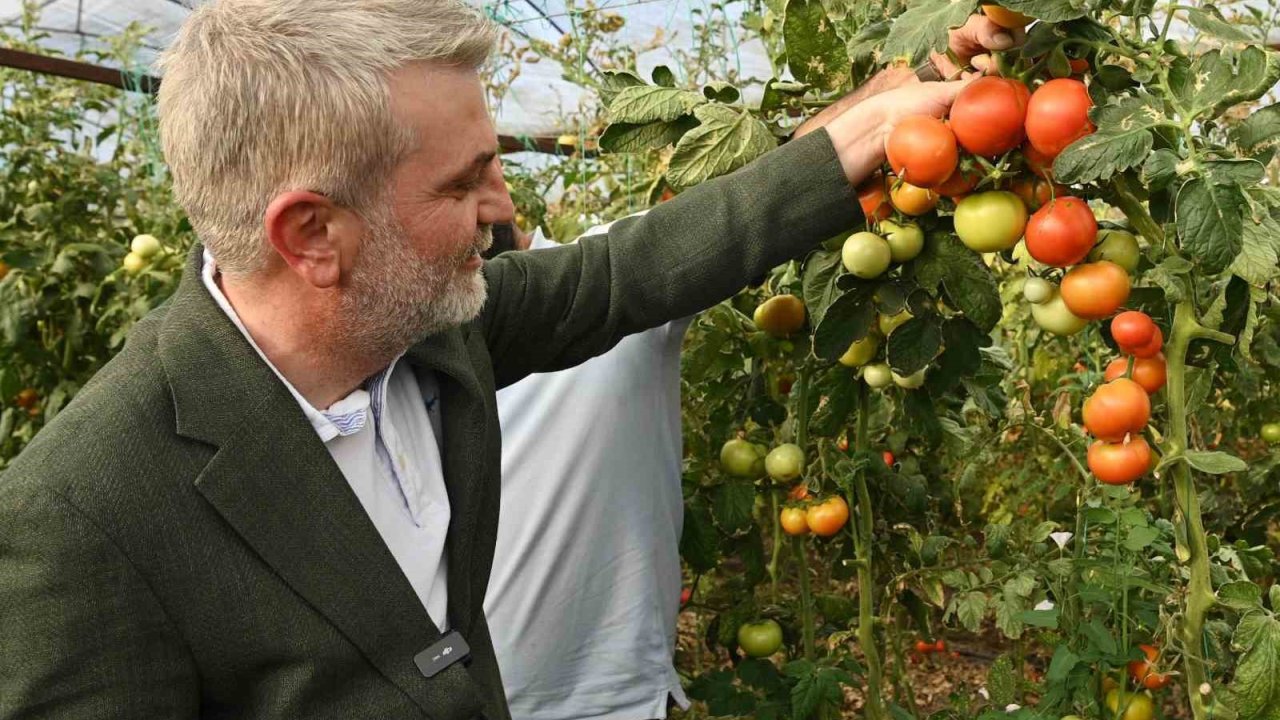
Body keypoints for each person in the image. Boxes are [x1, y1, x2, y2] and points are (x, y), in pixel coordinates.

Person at [0, 1, 1017, 718]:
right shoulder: (84, 520)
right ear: (311, 233)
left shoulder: (427, 331)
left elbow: (635, 269)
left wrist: (880, 123)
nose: (500, 208)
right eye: (463, 182)